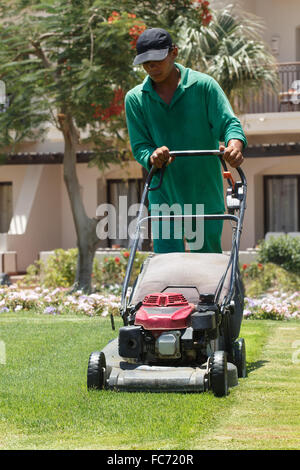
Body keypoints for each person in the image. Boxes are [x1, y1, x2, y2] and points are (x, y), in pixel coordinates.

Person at [125, 27, 247, 253]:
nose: (152, 67)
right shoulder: (135, 99)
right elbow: (141, 146)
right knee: (166, 262)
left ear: (174, 53)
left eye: (157, 60)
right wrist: (152, 156)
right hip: (163, 192)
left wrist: (234, 146)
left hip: (203, 192)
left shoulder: (204, 86)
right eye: (146, 62)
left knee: (208, 261)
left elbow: (230, 124)